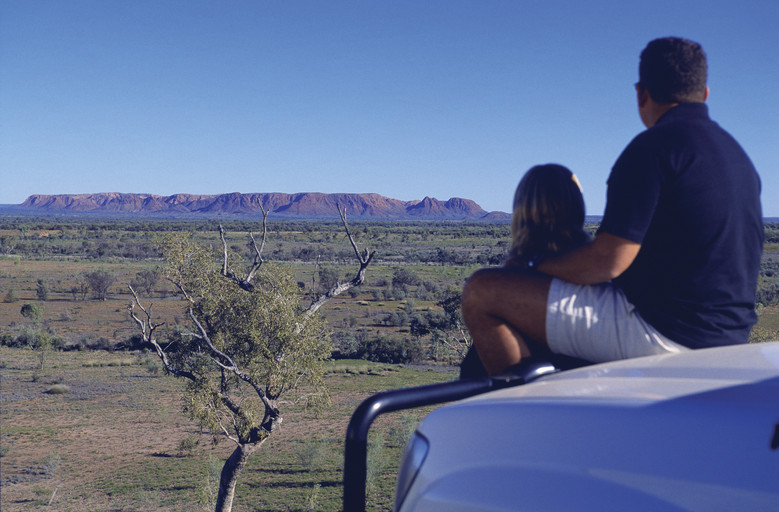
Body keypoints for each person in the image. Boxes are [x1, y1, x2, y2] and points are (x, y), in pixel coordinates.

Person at [462, 36, 763, 375]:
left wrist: (534, 263)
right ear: (705, 93)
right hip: (730, 338)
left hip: (667, 333)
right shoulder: (738, 158)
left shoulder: (653, 149)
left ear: (641, 93)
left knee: (482, 293)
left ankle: (526, 414)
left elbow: (608, 261)